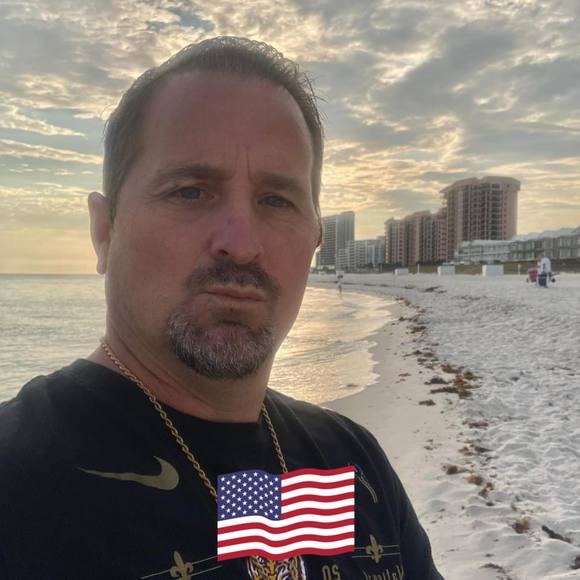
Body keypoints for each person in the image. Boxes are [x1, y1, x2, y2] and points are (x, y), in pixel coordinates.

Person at [0, 37, 442, 579]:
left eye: (276, 200)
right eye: (191, 191)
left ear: (313, 240)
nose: (242, 243)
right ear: (104, 231)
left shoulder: (354, 467)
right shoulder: (18, 483)